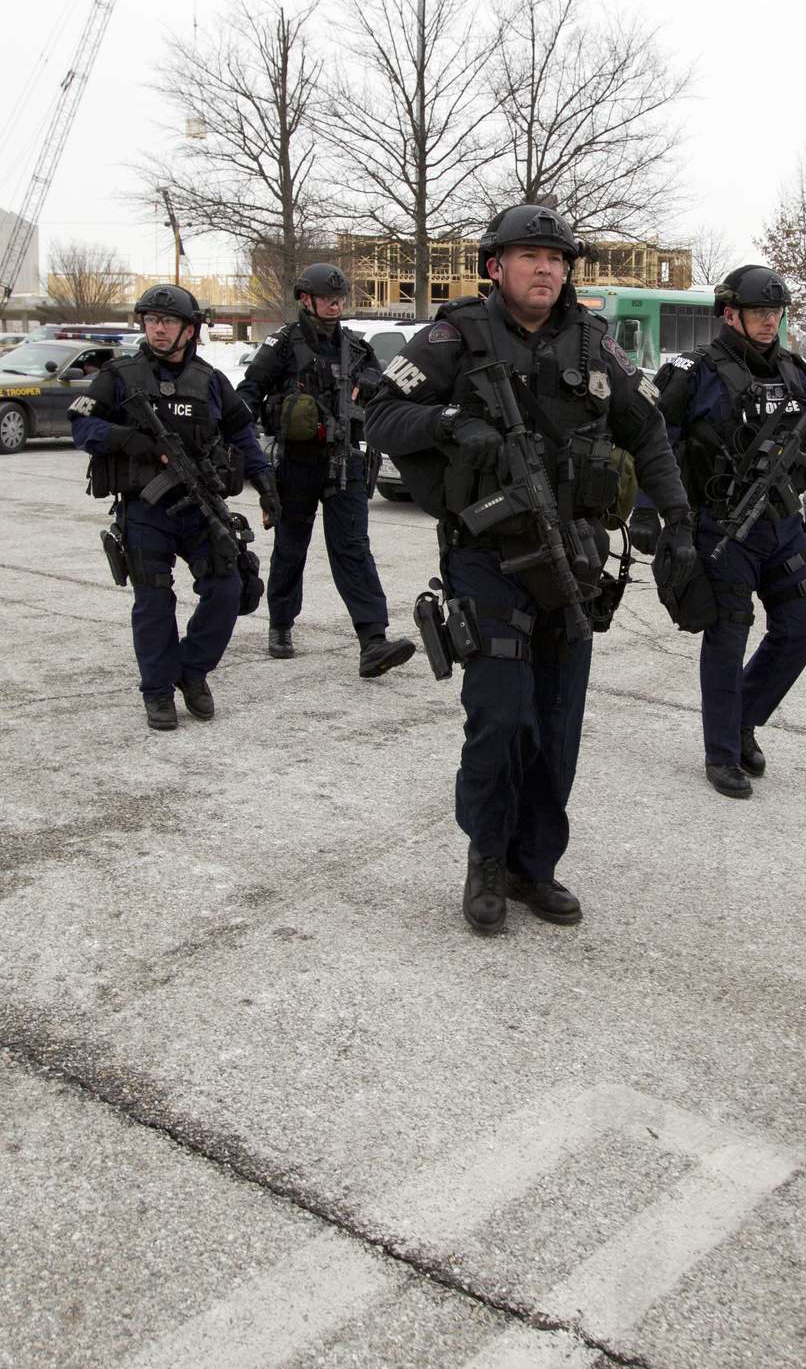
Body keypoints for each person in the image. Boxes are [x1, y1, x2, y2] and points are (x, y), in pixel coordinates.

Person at [364, 203, 694, 935]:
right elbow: (379, 412)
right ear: (496, 267)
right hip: (489, 559)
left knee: (556, 723)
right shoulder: (456, 337)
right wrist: (448, 423)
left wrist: (678, 522)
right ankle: (486, 857)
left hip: (574, 555)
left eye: (557, 258)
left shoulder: (594, 345)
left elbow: (649, 433)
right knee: (501, 717)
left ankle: (533, 866)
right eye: (529, 256)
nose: (546, 268)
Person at [634, 266, 806, 798]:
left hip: (783, 525)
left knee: (801, 627)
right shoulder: (693, 372)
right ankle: (721, 754)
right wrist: (647, 511)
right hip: (722, 528)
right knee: (728, 635)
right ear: (730, 312)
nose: (770, 321)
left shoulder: (795, 371)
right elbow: (652, 439)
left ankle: (744, 721)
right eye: (760, 311)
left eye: (776, 313)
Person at [68, 283, 280, 731]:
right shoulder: (120, 375)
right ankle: (158, 691)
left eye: (167, 322)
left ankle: (192, 670)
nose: (158, 329)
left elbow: (243, 434)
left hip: (200, 505)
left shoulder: (210, 380)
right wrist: (123, 438)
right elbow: (82, 423)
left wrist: (265, 484)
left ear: (190, 329)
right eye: (151, 321)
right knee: (154, 598)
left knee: (229, 587)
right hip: (146, 508)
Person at [236, 262, 415, 678]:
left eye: (339, 298)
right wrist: (249, 435)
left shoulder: (355, 346)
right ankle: (280, 624)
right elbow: (248, 392)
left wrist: (370, 386)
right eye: (327, 298)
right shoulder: (282, 345)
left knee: (352, 549)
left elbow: (385, 386)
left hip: (346, 461)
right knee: (291, 547)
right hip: (296, 462)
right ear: (305, 299)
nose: (335, 305)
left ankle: (373, 639)